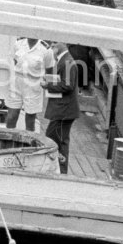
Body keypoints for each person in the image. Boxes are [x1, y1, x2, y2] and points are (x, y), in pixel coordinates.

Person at [41, 42, 81, 175]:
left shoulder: (67, 62)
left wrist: (48, 86)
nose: (52, 50)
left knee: (54, 138)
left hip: (64, 111)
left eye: (53, 47)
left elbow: (67, 85)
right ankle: (60, 170)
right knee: (59, 139)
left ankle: (60, 170)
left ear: (57, 48)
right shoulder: (65, 61)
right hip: (64, 110)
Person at [6, 37, 54, 132]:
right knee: (11, 116)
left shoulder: (46, 49)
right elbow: (15, 60)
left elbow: (49, 69)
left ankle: (29, 144)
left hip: (34, 84)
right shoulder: (18, 43)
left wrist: (48, 84)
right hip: (17, 82)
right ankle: (9, 140)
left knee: (30, 120)